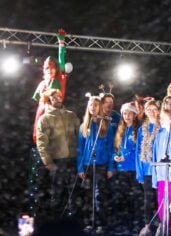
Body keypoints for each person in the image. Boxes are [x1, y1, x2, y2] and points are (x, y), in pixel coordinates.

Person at [35, 89, 80, 221]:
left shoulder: (71, 115)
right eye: (53, 98)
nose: (57, 99)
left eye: (58, 97)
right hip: (57, 161)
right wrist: (48, 161)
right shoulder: (45, 118)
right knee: (58, 193)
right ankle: (57, 222)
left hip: (72, 159)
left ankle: (74, 222)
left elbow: (80, 135)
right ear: (49, 100)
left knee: (74, 192)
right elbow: (41, 141)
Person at [77, 94, 114, 234]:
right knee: (87, 195)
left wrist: (110, 167)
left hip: (101, 164)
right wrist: (80, 167)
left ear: (100, 107)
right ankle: (89, 222)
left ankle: (101, 223)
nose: (93, 107)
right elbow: (80, 149)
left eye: (96, 105)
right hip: (87, 164)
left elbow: (110, 148)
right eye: (91, 105)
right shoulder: (83, 126)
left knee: (99, 195)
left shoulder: (106, 126)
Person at [111, 102, 143, 233]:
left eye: (130, 113)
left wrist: (127, 157)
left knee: (134, 198)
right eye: (124, 113)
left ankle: (136, 223)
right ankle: (122, 224)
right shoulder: (120, 130)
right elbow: (115, 149)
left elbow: (139, 149)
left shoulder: (138, 130)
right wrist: (115, 156)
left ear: (135, 115)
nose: (127, 116)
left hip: (133, 169)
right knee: (121, 197)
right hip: (121, 169)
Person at [32, 29, 68, 142]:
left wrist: (61, 43)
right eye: (47, 68)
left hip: (54, 111)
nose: (50, 70)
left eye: (52, 67)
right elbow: (36, 99)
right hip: (42, 112)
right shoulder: (42, 84)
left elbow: (62, 61)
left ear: (56, 68)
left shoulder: (59, 79)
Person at [152, 96, 171, 234]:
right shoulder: (161, 133)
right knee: (162, 202)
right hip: (162, 174)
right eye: (166, 104)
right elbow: (155, 155)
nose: (169, 106)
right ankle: (164, 226)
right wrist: (155, 177)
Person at [135, 99, 161, 233]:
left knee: (160, 198)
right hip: (146, 170)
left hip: (159, 170)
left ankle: (161, 223)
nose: (151, 112)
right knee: (148, 199)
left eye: (154, 109)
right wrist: (139, 172)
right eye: (148, 110)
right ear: (145, 112)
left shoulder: (163, 127)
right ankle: (147, 225)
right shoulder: (141, 129)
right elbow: (138, 151)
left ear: (158, 111)